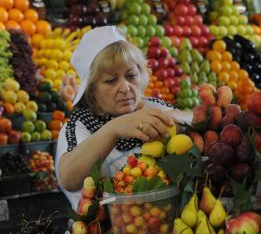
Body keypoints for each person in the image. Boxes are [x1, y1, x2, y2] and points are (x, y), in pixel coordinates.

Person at [55, 26, 192, 209]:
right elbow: (68, 178)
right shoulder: (78, 126)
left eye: (131, 76)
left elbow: (192, 118)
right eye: (111, 81)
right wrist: (113, 129)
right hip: (103, 232)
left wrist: (171, 117)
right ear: (91, 90)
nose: (126, 87)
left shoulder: (150, 107)